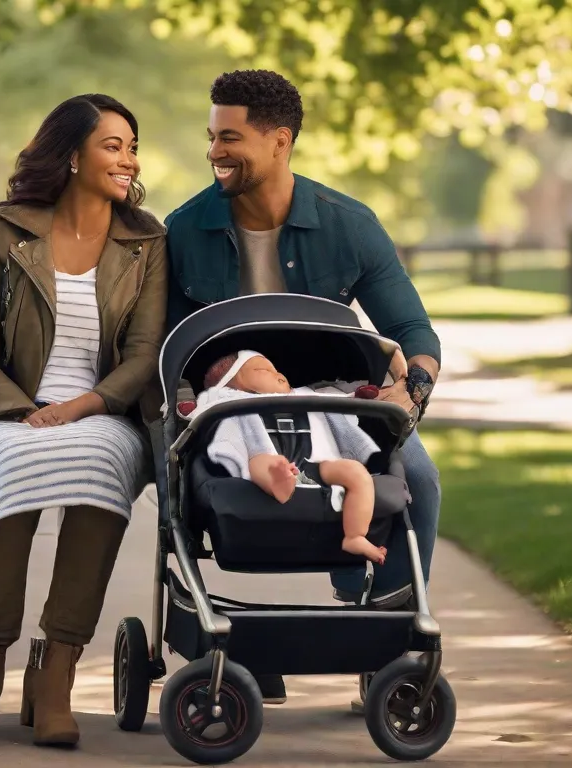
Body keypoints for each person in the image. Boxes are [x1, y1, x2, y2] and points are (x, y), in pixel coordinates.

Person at [163, 69, 442, 706]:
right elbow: (171, 346)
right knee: (180, 482)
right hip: (225, 406)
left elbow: (410, 328)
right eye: (211, 137)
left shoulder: (349, 223)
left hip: (324, 399)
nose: (213, 152)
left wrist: (410, 393)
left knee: (419, 482)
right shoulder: (184, 229)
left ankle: (387, 640)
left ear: (280, 141)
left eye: (229, 138)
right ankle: (222, 644)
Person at [0, 94, 168, 748]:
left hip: (103, 410)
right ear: (73, 154)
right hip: (6, 407)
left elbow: (144, 354)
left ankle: (55, 670)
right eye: (113, 145)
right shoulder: (1, 234)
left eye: (131, 147)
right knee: (8, 463)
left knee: (99, 463)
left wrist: (84, 406)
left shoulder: (146, 241)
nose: (128, 159)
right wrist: (21, 411)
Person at [199, 350, 388, 564]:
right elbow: (202, 408)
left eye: (277, 370)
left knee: (355, 472)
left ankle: (355, 536)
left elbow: (341, 398)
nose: (278, 374)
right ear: (231, 385)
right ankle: (278, 480)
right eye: (263, 370)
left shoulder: (308, 395)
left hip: (312, 464)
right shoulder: (230, 401)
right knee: (260, 462)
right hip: (267, 462)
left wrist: (359, 397)